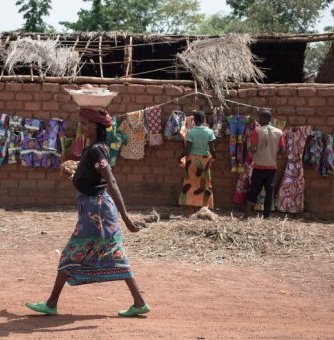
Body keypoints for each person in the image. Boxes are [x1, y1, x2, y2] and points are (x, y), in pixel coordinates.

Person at [25, 108, 150, 318]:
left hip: (97, 211)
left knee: (72, 253)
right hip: (96, 208)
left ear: (95, 126)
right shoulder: (96, 149)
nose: (81, 127)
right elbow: (94, 177)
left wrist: (126, 216)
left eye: (84, 124)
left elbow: (110, 181)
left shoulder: (96, 151)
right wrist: (75, 173)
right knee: (114, 251)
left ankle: (51, 303)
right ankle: (139, 301)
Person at [243, 109, 285, 219]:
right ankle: (267, 216)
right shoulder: (279, 132)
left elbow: (253, 148)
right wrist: (273, 152)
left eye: (260, 118)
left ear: (265, 119)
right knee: (269, 193)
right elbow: (283, 150)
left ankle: (246, 215)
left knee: (254, 191)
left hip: (258, 166)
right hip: (272, 167)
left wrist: (252, 150)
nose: (258, 120)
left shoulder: (257, 130)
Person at [178, 110, 217, 216]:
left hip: (192, 161)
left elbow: (187, 149)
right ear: (204, 120)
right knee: (205, 184)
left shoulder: (191, 132)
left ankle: (191, 213)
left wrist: (179, 157)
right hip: (205, 161)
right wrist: (214, 158)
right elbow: (213, 149)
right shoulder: (209, 132)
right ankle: (204, 211)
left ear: (194, 121)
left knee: (190, 184)